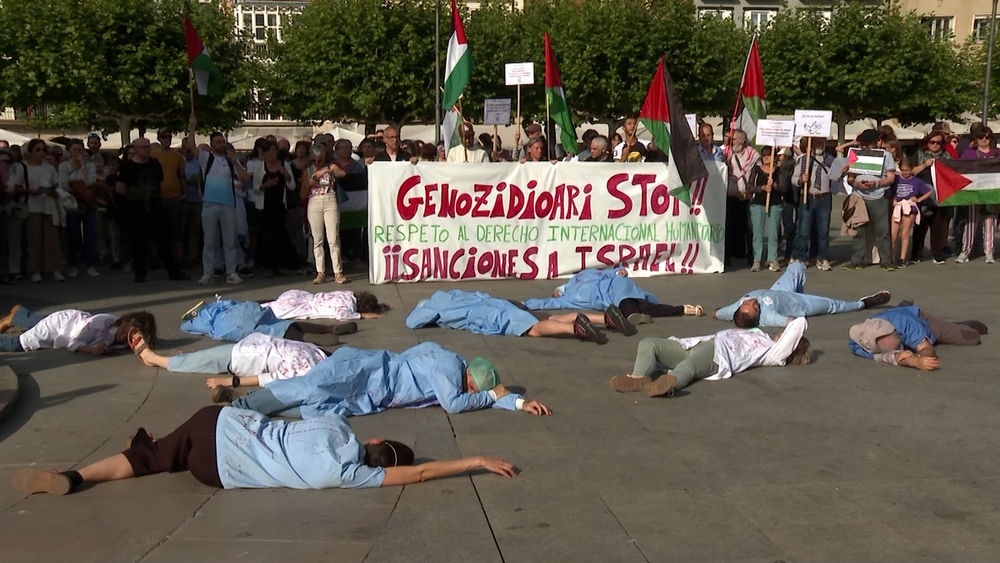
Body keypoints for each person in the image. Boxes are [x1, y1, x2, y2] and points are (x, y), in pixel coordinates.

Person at [10, 405, 516, 496]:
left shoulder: (339, 428)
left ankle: (78, 476)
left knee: (154, 454)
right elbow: (420, 477)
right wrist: (474, 461)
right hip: (220, 471)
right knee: (168, 457)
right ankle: (148, 450)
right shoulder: (348, 477)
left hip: (225, 423)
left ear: (377, 441)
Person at [217, 342, 552, 421]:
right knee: (307, 388)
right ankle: (241, 405)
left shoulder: (454, 367)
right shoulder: (448, 366)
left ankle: (247, 409)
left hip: (373, 390)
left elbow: (494, 393)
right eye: (471, 388)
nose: (468, 393)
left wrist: (519, 402)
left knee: (318, 410)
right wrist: (489, 396)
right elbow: (455, 404)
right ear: (467, 375)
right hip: (367, 372)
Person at [609, 317, 812, 398]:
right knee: (649, 343)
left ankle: (668, 385)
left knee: (688, 366)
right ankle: (638, 378)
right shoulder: (761, 335)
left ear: (791, 347)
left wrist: (789, 323)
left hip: (719, 354)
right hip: (696, 344)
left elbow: (799, 324)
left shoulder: (776, 354)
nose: (782, 334)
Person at [406, 289, 636, 345]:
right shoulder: (452, 293)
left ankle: (575, 328)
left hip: (486, 314)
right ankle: (604, 319)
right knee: (548, 318)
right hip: (496, 302)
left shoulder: (435, 304)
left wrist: (426, 312)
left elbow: (412, 322)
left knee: (534, 329)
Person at [713, 261, 890, 328]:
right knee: (831, 305)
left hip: (779, 290)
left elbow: (718, 313)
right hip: (800, 305)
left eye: (748, 304)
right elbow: (790, 323)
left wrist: (708, 312)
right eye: (755, 309)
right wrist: (790, 327)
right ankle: (863, 304)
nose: (753, 303)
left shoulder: (732, 311)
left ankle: (798, 287)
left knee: (796, 267)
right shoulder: (769, 317)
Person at [133, 332, 328, 390]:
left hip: (243, 357)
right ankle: (155, 359)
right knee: (202, 358)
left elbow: (269, 378)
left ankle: (152, 358)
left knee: (197, 360)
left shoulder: (307, 371)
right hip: (253, 346)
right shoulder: (319, 354)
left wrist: (232, 381)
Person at [116, 138, 189, 283]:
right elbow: (120, 188)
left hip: (155, 206)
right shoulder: (127, 166)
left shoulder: (155, 164)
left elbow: (159, 184)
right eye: (143, 147)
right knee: (137, 241)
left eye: (148, 147)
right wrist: (136, 196)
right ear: (135, 149)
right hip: (136, 207)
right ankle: (140, 273)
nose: (147, 150)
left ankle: (173, 271)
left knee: (164, 240)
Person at [523, 267, 703, 323]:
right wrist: (522, 304)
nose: (555, 294)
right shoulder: (566, 298)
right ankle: (680, 309)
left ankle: (632, 315)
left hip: (615, 283)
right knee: (639, 305)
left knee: (625, 294)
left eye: (556, 292)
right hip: (608, 298)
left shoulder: (582, 275)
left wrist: (621, 271)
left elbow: (610, 271)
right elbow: (546, 303)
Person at [849, 303, 988, 371]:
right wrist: (912, 362)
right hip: (897, 316)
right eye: (895, 348)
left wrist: (922, 359)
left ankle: (962, 324)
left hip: (919, 320)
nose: (899, 349)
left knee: (972, 338)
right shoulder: (858, 345)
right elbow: (888, 357)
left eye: (898, 346)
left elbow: (927, 349)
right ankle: (902, 306)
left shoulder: (905, 324)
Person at [188, 115, 242, 285]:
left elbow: (244, 177)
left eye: (222, 141)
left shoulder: (230, 160)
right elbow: (191, 145)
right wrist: (192, 127)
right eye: (218, 142)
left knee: (229, 240)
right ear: (211, 145)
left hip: (228, 204)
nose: (221, 144)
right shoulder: (206, 158)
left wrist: (236, 162)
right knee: (210, 240)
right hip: (210, 203)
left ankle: (231, 272)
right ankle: (208, 273)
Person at [179, 298, 355, 344]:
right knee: (281, 323)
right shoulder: (219, 305)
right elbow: (238, 303)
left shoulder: (198, 321)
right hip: (246, 311)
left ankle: (307, 338)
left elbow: (186, 327)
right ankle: (330, 328)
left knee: (273, 331)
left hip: (237, 325)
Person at [0, 304, 156, 356]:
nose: (124, 337)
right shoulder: (99, 324)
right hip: (63, 325)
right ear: (123, 321)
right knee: (20, 344)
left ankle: (18, 315)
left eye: (131, 334)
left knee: (39, 324)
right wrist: (91, 349)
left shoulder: (131, 335)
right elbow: (73, 341)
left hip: (71, 320)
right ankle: (15, 318)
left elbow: (146, 341)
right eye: (124, 331)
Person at [9, 139, 62, 283]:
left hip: (48, 206)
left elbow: (57, 185)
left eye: (44, 150)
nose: (41, 153)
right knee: (34, 239)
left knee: (52, 240)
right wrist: (29, 191)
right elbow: (16, 188)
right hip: (32, 206)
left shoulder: (49, 168)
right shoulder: (23, 167)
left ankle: (55, 268)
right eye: (38, 150)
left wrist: (53, 191)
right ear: (30, 151)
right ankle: (35, 270)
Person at [842, 129, 896, 271]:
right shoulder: (855, 155)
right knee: (859, 231)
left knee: (883, 231)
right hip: (859, 196)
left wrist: (876, 184)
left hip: (879, 196)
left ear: (875, 142)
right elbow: (850, 178)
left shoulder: (886, 155)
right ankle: (856, 261)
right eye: (862, 144)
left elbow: (891, 177)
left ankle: (886, 261)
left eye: (866, 143)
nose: (863, 146)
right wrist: (857, 184)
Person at [247, 139, 298, 277]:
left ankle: (281, 265)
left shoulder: (285, 165)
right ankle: (268, 266)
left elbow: (292, 186)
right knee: (266, 236)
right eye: (268, 151)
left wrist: (285, 175)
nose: (271, 154)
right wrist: (266, 185)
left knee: (280, 235)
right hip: (265, 206)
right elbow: (255, 188)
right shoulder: (260, 167)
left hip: (279, 205)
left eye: (273, 150)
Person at [909, 130, 952, 264]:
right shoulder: (920, 154)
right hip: (922, 195)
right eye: (932, 142)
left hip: (941, 194)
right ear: (927, 143)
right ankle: (916, 254)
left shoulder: (946, 156)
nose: (935, 145)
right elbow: (911, 172)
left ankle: (938, 254)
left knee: (938, 226)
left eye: (938, 143)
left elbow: (953, 174)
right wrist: (924, 165)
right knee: (920, 226)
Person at [956, 126, 998, 264]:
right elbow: (960, 169)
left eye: (987, 137)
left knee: (990, 222)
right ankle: (965, 251)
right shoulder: (969, 153)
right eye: (981, 137)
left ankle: (989, 253)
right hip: (974, 192)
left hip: (991, 193)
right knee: (971, 222)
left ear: (991, 139)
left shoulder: (997, 153)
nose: (984, 140)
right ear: (976, 139)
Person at [59, 139, 99, 278]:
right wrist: (77, 185)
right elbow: (63, 184)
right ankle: (73, 265)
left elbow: (90, 181)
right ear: (69, 150)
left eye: (79, 149)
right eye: (74, 149)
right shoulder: (64, 166)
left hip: (87, 202)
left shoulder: (89, 165)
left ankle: (90, 264)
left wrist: (82, 166)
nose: (77, 152)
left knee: (89, 234)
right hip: (72, 201)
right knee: (73, 235)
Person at [152, 129, 188, 266]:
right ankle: (155, 258)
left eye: (169, 136)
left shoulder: (177, 156)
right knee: (157, 229)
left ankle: (179, 258)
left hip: (174, 196)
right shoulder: (153, 155)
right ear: (159, 138)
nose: (168, 139)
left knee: (176, 228)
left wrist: (184, 192)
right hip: (158, 196)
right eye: (164, 137)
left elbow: (182, 175)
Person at [747, 147, 786, 272]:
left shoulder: (779, 172)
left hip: (774, 204)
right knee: (757, 233)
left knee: (773, 233)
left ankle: (772, 259)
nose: (766, 158)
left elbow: (784, 188)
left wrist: (774, 185)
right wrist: (762, 188)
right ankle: (757, 259)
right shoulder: (756, 170)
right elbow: (750, 186)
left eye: (769, 155)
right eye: (764, 156)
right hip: (758, 204)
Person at [890, 158, 933, 268]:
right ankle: (890, 258)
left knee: (905, 233)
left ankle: (902, 259)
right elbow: (890, 191)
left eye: (907, 170)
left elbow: (929, 191)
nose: (905, 172)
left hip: (909, 207)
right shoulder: (896, 179)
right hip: (898, 206)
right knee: (893, 234)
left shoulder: (916, 180)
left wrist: (918, 200)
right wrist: (892, 199)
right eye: (903, 170)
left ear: (912, 169)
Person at [725, 129, 758, 267]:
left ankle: (752, 257)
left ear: (743, 140)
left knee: (750, 228)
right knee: (729, 227)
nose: (732, 141)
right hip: (731, 196)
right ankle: (727, 257)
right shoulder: (726, 153)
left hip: (747, 196)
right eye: (731, 139)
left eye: (734, 138)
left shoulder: (753, 154)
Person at [262, 288, 390, 320]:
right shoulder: (348, 306)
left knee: (272, 304)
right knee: (270, 311)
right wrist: (362, 316)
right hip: (303, 307)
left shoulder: (348, 293)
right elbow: (341, 315)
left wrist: (378, 305)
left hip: (301, 296)